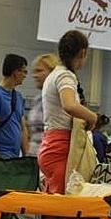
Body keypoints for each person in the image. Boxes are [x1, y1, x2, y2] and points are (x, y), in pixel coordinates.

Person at [38, 30, 98, 194]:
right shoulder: (65, 76)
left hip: (50, 144)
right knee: (63, 201)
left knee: (53, 198)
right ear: (83, 53)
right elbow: (69, 105)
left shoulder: (53, 75)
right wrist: (92, 117)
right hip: (61, 146)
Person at [0, 54, 29, 158]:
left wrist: (26, 155)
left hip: (15, 155)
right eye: (24, 71)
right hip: (1, 154)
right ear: (15, 72)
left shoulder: (18, 97)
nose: (25, 75)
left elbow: (23, 128)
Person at [26, 54, 59, 157]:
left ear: (52, 73)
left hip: (51, 155)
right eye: (34, 72)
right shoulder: (37, 100)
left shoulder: (59, 100)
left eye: (39, 71)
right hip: (33, 155)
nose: (35, 75)